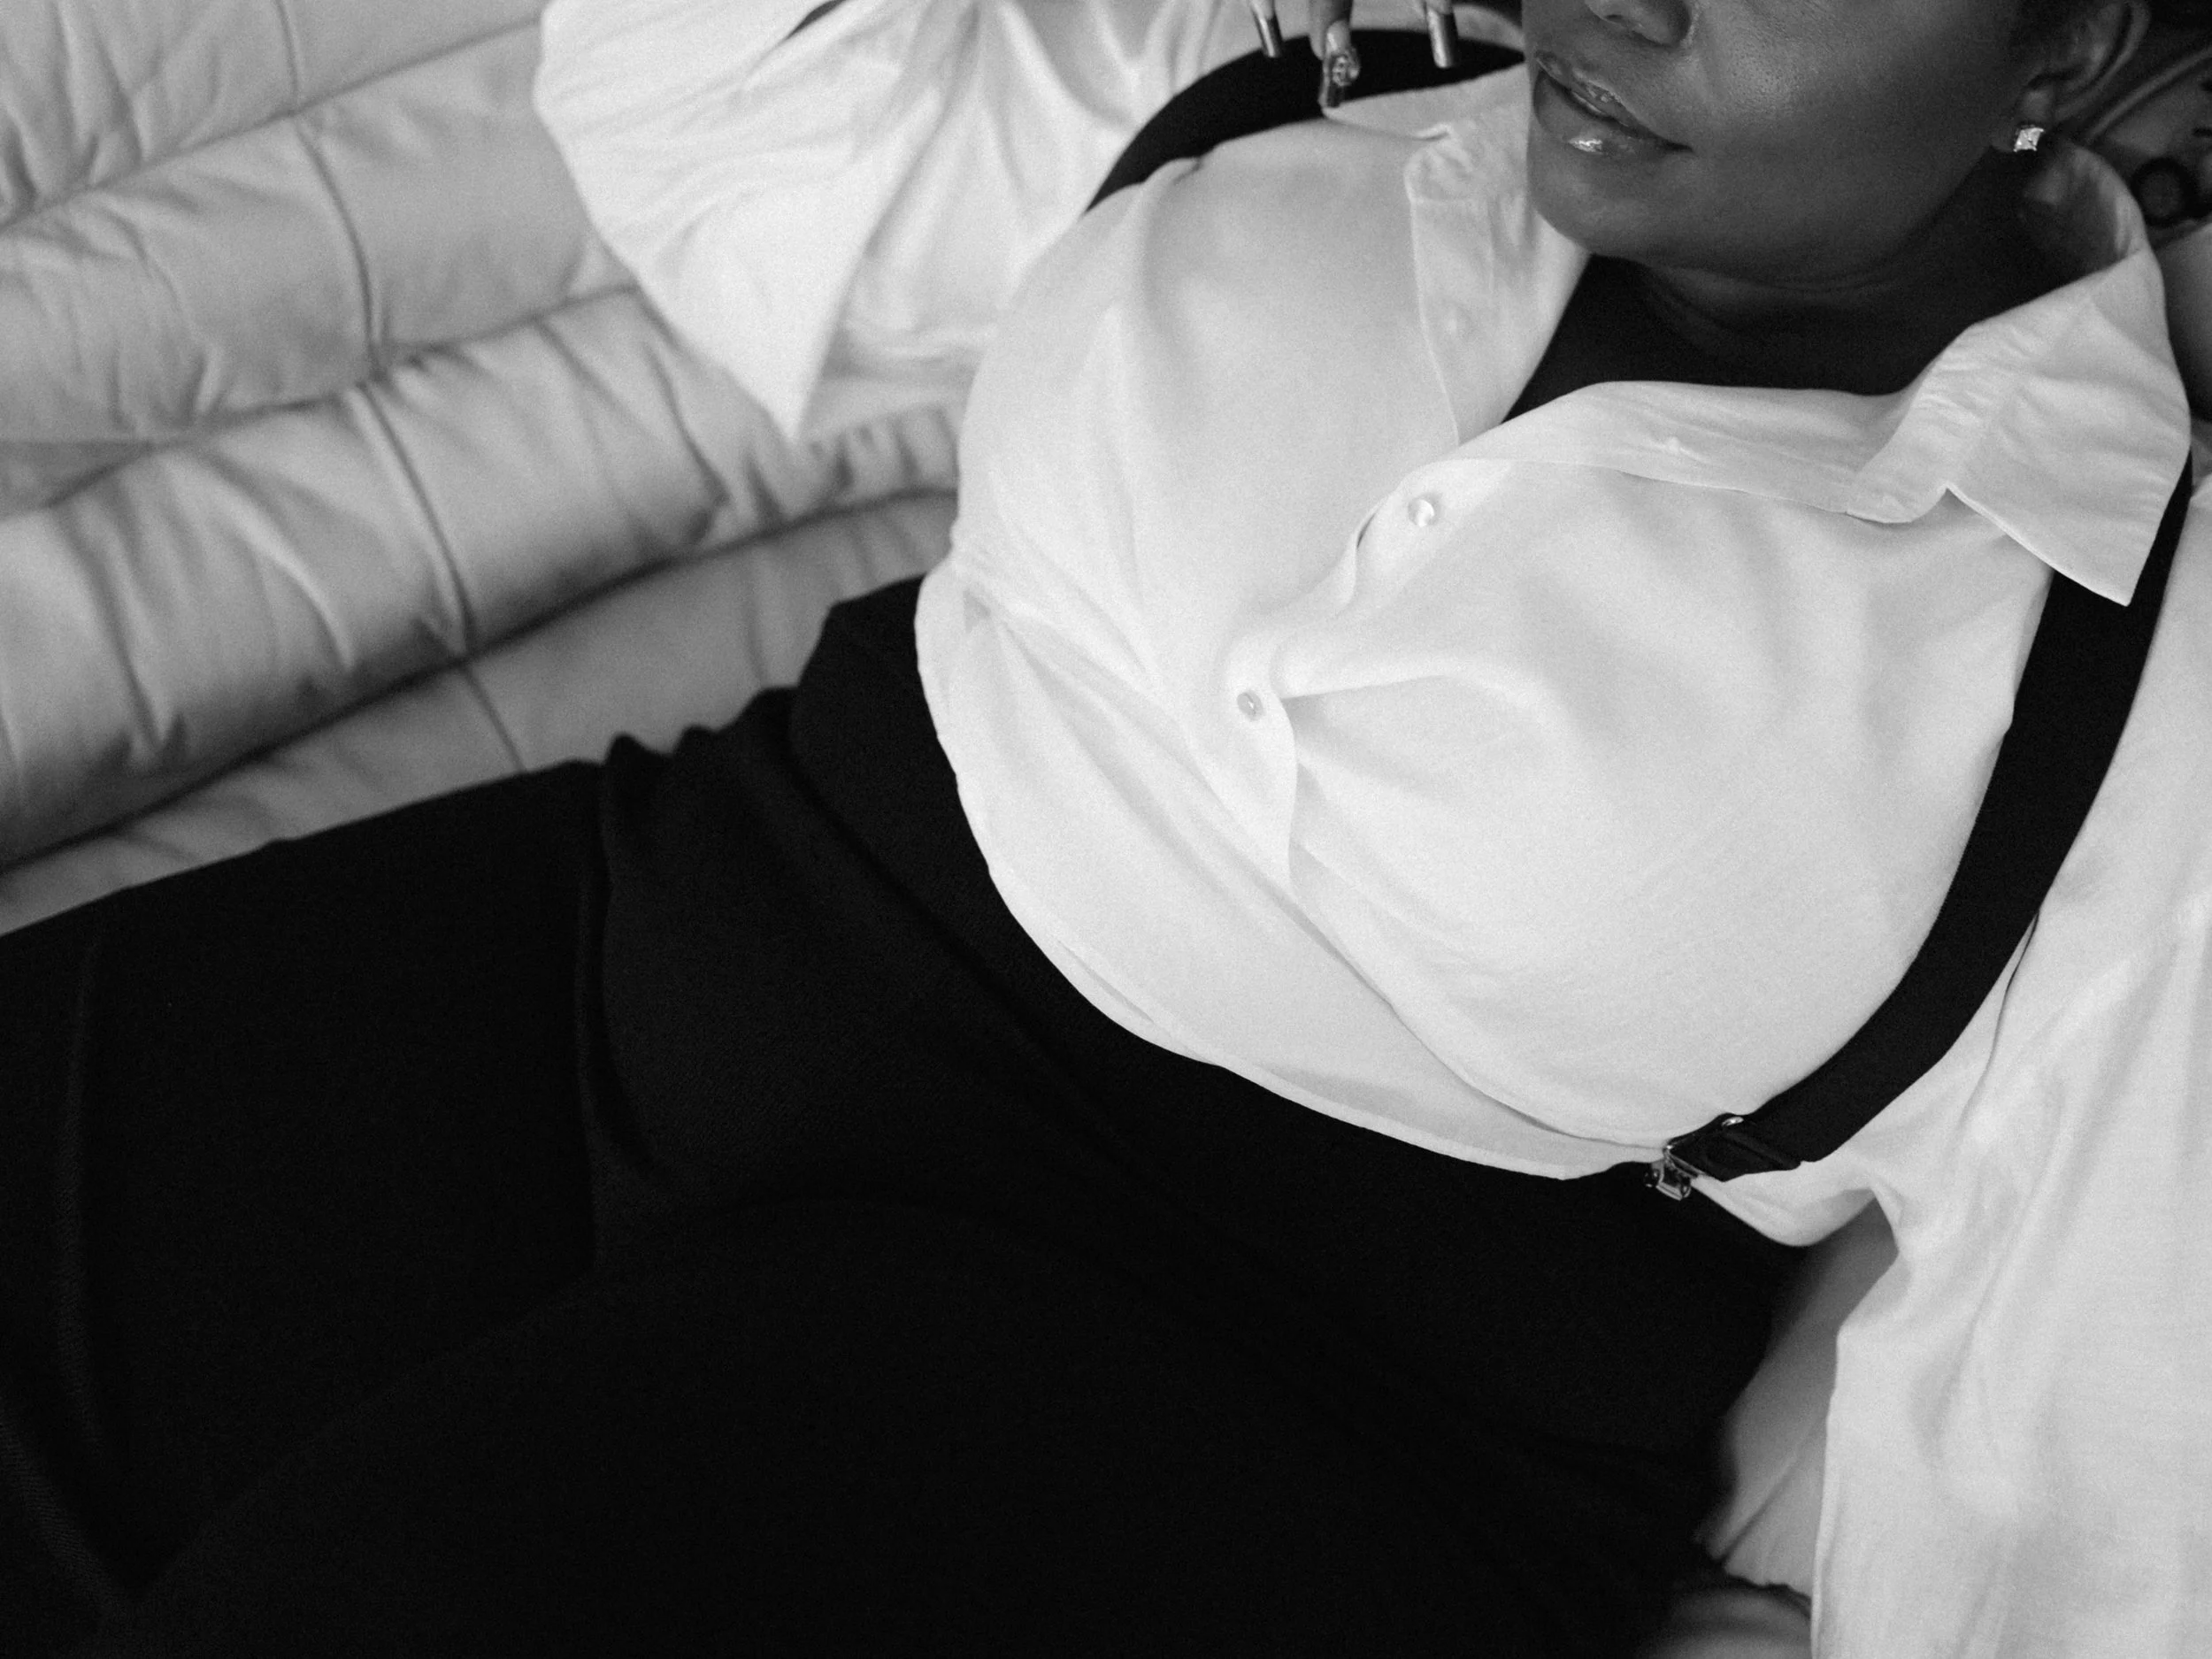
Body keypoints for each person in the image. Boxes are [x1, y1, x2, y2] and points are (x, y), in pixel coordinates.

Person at [4, 0, 2208, 1652]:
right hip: (648, 934)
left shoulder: (2124, 645)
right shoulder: (1336, 86)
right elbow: (720, 122)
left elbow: (2079, 1471)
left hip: (1227, 1373)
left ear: (2072, 41)